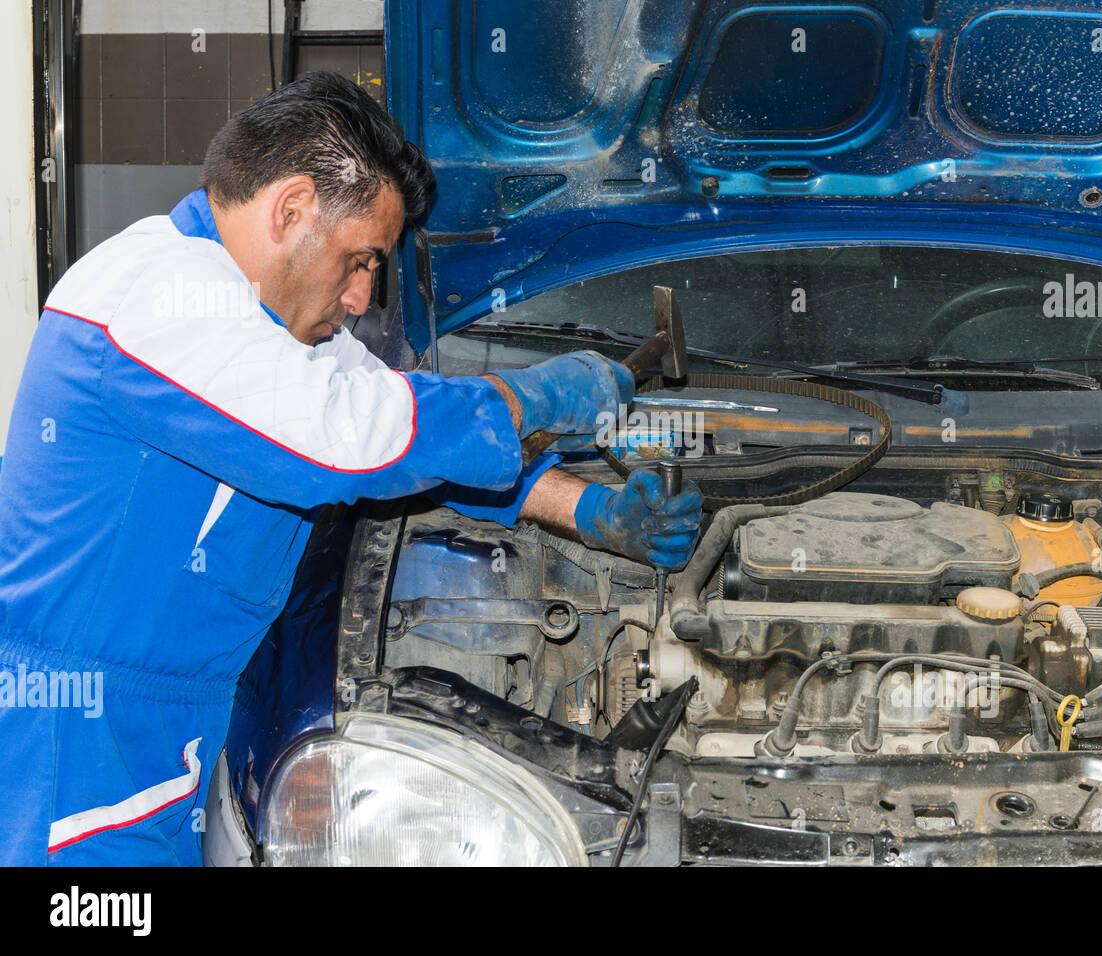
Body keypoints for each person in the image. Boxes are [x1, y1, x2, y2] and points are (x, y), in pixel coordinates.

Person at [0, 72, 701, 866]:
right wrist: (524, 398)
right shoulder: (157, 294)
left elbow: (402, 448)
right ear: (292, 208)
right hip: (77, 739)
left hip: (169, 725)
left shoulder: (287, 340)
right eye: (361, 260)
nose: (366, 297)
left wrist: (588, 513)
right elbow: (346, 439)